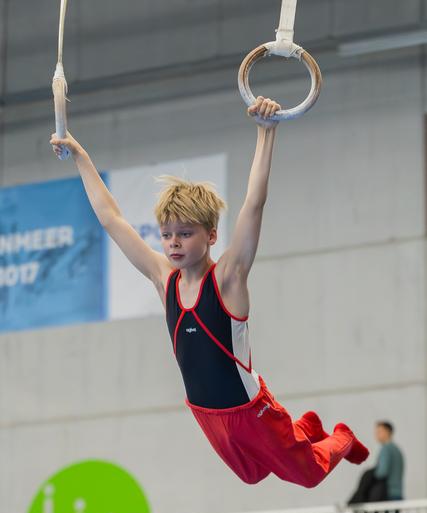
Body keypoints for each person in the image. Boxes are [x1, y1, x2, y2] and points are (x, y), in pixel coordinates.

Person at [50, 95, 369, 488]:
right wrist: (80, 154)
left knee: (308, 475)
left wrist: (266, 133)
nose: (173, 244)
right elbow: (111, 217)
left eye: (185, 234)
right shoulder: (162, 277)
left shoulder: (228, 279)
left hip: (250, 410)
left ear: (212, 235)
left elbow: (254, 205)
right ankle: (305, 429)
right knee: (252, 474)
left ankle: (340, 437)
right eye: (167, 235)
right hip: (205, 413)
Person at [372, 421, 420, 513]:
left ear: (387, 432)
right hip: (397, 497)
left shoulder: (386, 449)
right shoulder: (397, 451)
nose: (376, 434)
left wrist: (370, 477)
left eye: (379, 431)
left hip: (388, 499)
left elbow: (382, 472)